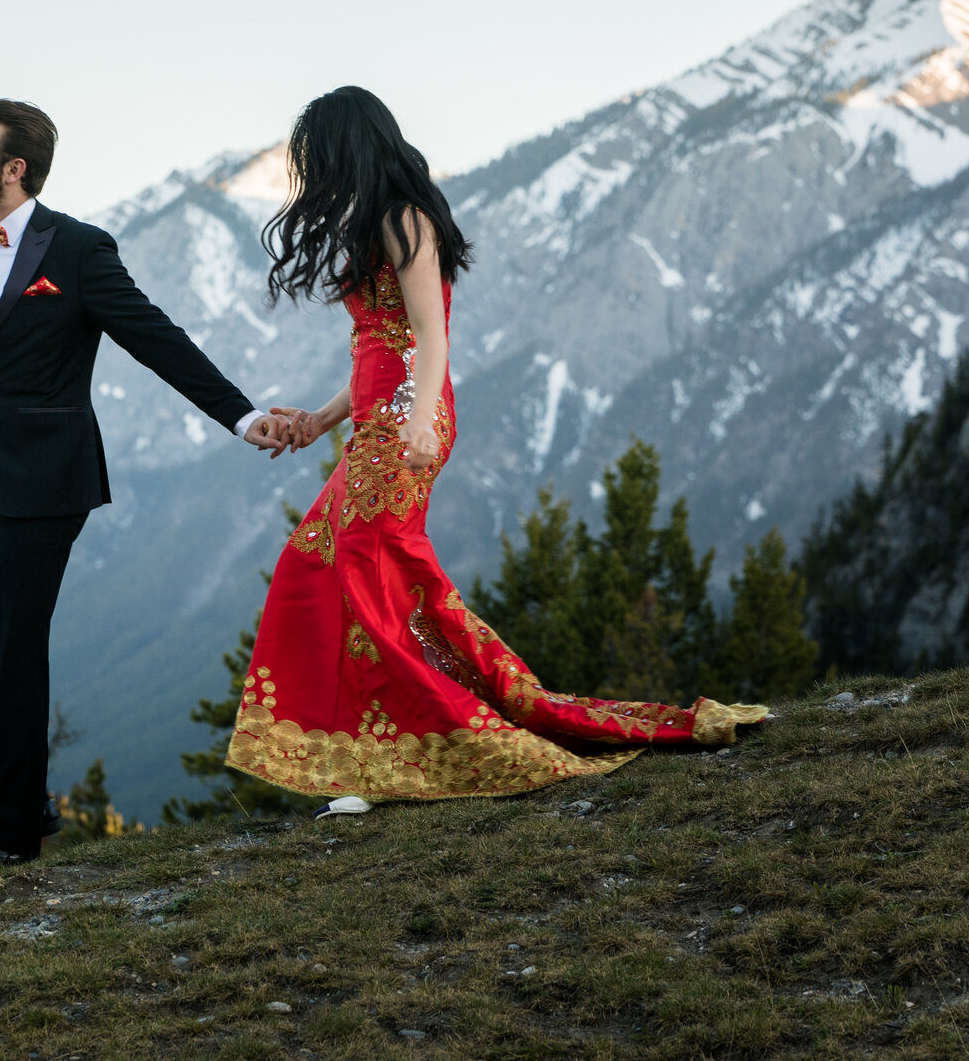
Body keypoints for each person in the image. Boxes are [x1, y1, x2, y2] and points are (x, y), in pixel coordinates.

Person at [229, 86, 766, 806]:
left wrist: (419, 419)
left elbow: (430, 335)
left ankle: (399, 753)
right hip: (383, 417)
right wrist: (325, 418)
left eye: (318, 155)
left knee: (358, 566)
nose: (314, 171)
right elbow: (377, 344)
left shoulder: (403, 218)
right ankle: (390, 747)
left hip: (406, 421)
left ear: (347, 148)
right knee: (350, 567)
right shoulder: (377, 222)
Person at [0, 99, 289, 880]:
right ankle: (24, 799)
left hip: (41, 482)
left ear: (14, 168)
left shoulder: (74, 249)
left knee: (12, 648)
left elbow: (153, 336)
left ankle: (7, 833)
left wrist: (240, 416)